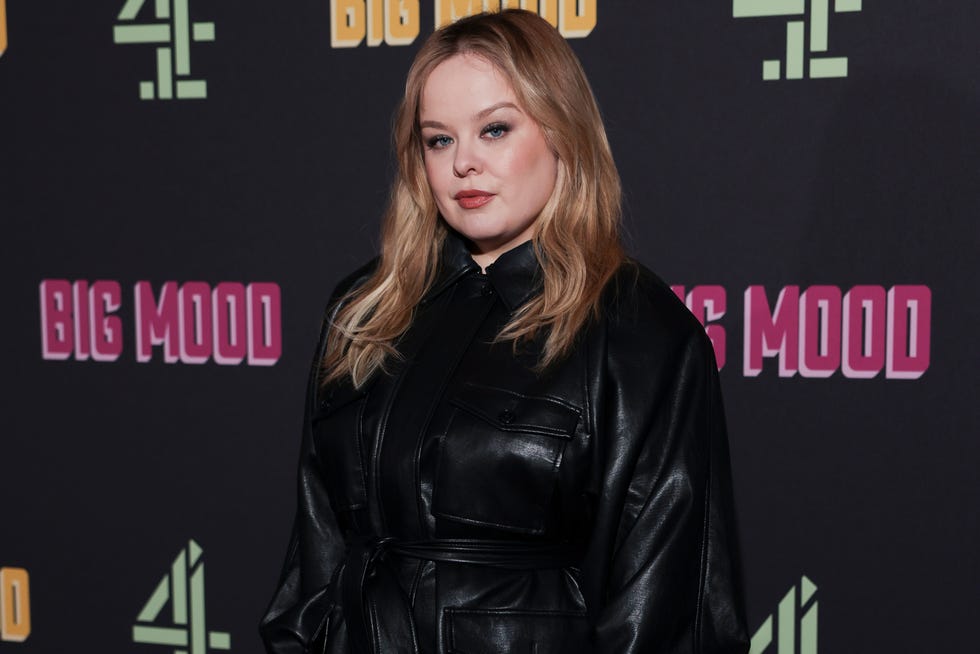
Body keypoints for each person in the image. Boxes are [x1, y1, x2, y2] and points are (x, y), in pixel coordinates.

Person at [260, 9, 748, 654]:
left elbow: (666, 606)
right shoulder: (364, 309)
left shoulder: (639, 335)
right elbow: (316, 553)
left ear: (561, 133)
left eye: (494, 129)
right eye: (439, 139)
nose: (464, 163)